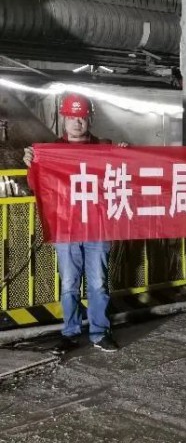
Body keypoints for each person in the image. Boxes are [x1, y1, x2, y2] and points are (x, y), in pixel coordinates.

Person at [23, 93, 126, 353]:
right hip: (66, 228)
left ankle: (99, 332)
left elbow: (123, 179)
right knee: (69, 283)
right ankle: (70, 333)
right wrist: (32, 165)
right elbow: (36, 185)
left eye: (81, 117)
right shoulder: (51, 152)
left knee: (98, 283)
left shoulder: (105, 148)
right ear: (64, 119)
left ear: (89, 119)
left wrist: (125, 156)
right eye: (71, 117)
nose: (77, 122)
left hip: (97, 228)